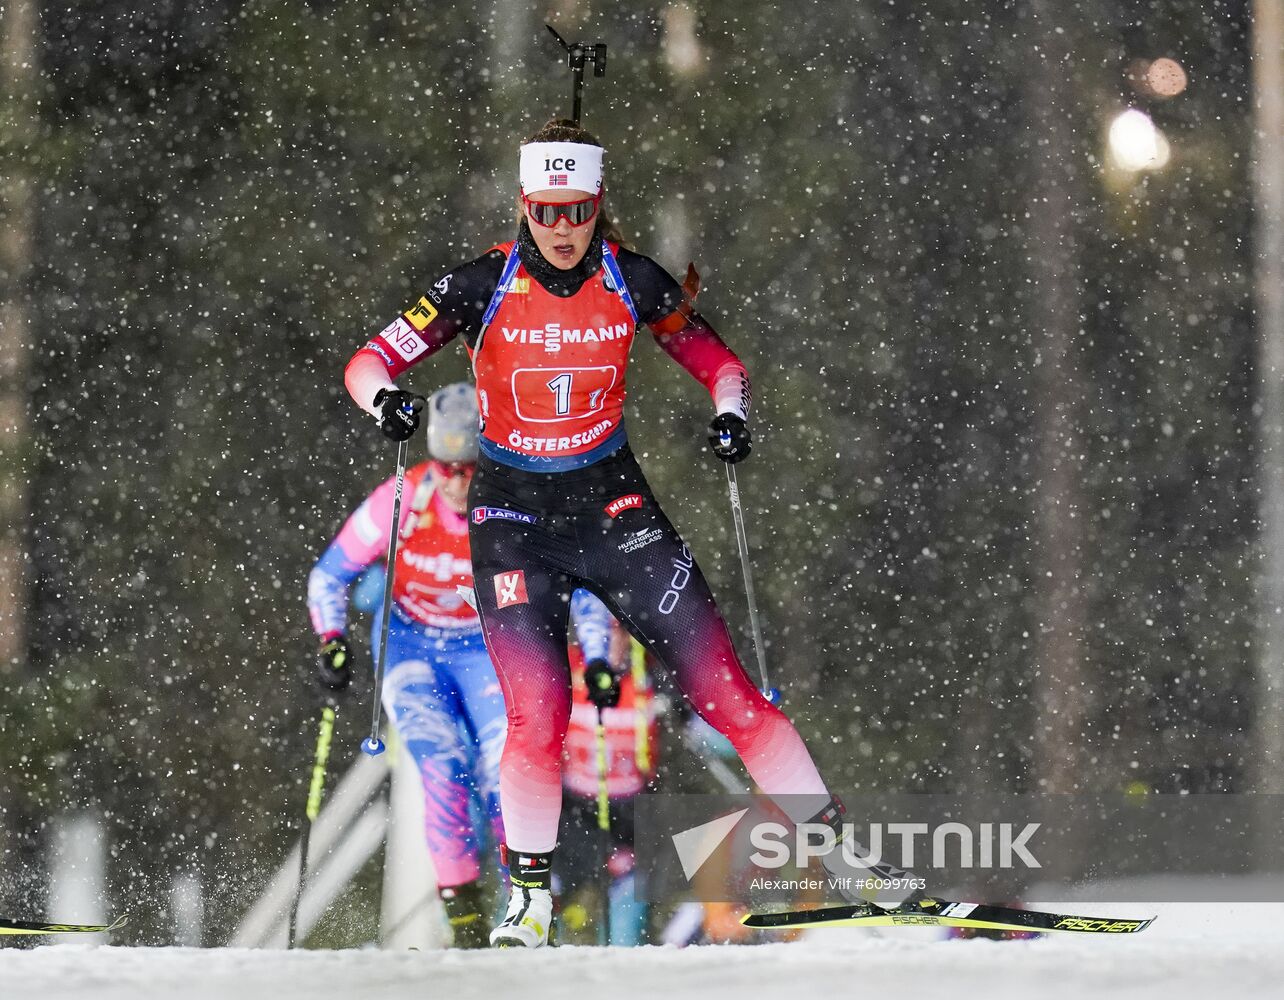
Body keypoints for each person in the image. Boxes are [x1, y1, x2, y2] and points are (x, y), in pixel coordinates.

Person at [343, 120, 903, 948]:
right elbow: (367, 363)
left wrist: (729, 416)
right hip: (512, 521)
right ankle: (527, 904)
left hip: (613, 510)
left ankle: (842, 858)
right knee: (538, 718)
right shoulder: (478, 284)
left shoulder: (631, 278)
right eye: (546, 211)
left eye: (577, 211)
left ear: (598, 204)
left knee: (730, 695)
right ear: (525, 205)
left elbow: (722, 364)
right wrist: (385, 399)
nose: (562, 229)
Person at [307, 381, 614, 947]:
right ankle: (467, 930)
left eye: (468, 466)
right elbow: (330, 575)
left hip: (489, 650)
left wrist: (598, 656)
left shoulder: (522, 507)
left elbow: (588, 584)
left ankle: (524, 914)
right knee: (444, 771)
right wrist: (331, 638)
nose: (454, 480)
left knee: (510, 776)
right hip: (412, 650)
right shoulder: (401, 500)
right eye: (444, 465)